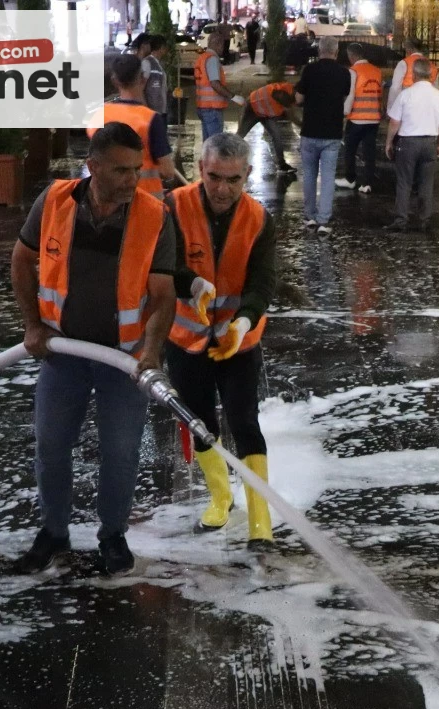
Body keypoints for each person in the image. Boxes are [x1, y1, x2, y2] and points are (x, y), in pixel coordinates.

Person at [10, 123, 179, 576]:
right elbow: (22, 260)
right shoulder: (54, 202)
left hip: (123, 363)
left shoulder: (155, 215)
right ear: (93, 166)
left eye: (137, 170)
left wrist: (151, 352)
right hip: (62, 355)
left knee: (121, 451)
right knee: (51, 445)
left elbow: (163, 295)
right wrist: (32, 324)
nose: (132, 180)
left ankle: (113, 536)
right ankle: (53, 531)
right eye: (122, 171)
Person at [166, 133, 279, 548]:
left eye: (233, 179)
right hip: (185, 339)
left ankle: (260, 519)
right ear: (200, 170)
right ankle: (220, 497)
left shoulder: (259, 219)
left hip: (238, 342)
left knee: (245, 421)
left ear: (248, 174)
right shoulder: (172, 207)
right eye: (214, 177)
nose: (222, 189)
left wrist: (243, 324)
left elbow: (263, 282)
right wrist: (191, 285)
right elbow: (162, 266)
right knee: (198, 421)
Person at [87, 54, 182, 198]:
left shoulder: (98, 116)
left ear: (115, 81)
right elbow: (167, 171)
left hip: (106, 200)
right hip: (144, 200)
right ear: (143, 78)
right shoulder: (150, 119)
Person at [383, 57, 439, 232]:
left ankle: (401, 220)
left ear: (414, 74)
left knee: (404, 182)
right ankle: (424, 220)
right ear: (430, 74)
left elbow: (395, 122)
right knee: (426, 183)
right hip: (429, 143)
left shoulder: (406, 95)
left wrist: (389, 142)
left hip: (408, 143)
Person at [294, 35, 351, 233]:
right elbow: (343, 96)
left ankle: (310, 216)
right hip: (332, 132)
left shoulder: (309, 70)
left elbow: (299, 98)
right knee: (328, 177)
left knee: (309, 175)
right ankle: (324, 220)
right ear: (336, 52)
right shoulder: (344, 73)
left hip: (310, 130)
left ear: (319, 51)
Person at [337, 43, 382, 194]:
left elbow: (351, 95)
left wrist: (344, 112)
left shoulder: (353, 71)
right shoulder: (376, 71)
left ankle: (350, 179)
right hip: (374, 118)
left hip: (356, 118)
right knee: (369, 151)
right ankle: (367, 183)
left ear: (352, 56)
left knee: (350, 149)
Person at [237, 80, 299, 174]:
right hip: (252, 108)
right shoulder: (286, 95)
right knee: (240, 135)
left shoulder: (290, 93)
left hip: (266, 113)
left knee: (277, 136)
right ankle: (225, 157)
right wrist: (302, 125)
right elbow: (291, 115)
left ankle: (282, 165)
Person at [194, 42, 244, 141]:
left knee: (208, 144)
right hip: (212, 108)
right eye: (222, 45)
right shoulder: (212, 59)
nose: (223, 48)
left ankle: (206, 157)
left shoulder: (202, 57)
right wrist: (233, 97)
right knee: (215, 144)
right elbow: (215, 84)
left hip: (203, 106)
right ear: (218, 44)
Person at [387, 38, 437, 110]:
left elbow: (395, 88)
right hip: (426, 105)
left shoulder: (404, 63)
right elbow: (436, 88)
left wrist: (391, 108)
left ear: (409, 49)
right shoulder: (432, 66)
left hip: (408, 104)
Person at [130, 33, 170, 115]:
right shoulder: (147, 63)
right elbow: (140, 88)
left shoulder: (156, 63)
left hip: (159, 111)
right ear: (162, 48)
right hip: (151, 112)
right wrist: (145, 110)